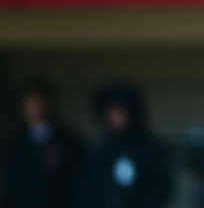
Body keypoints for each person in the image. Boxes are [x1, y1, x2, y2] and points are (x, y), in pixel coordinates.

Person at [78, 80, 172, 208]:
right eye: (110, 113)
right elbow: (88, 193)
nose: (115, 118)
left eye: (120, 112)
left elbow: (159, 191)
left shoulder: (152, 151)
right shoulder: (99, 153)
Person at [2, 78, 85, 208]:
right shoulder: (15, 144)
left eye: (39, 101)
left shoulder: (69, 142)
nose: (35, 107)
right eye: (30, 102)